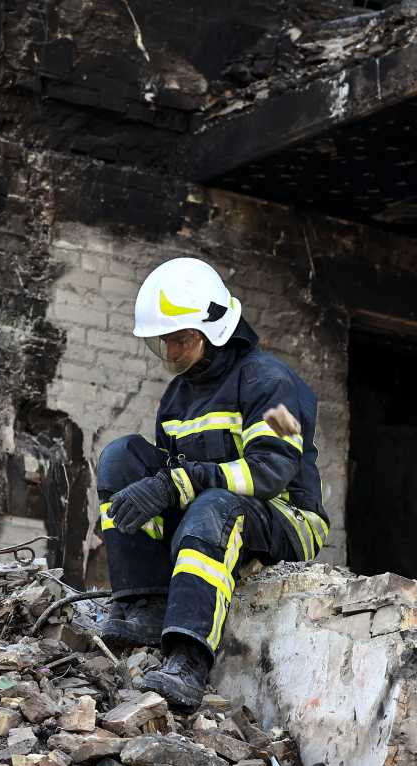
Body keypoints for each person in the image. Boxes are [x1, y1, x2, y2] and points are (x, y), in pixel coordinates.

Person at [93, 257, 330, 712]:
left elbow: (271, 470)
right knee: (122, 457)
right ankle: (144, 606)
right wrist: (162, 484)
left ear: (215, 330)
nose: (172, 352)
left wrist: (179, 484)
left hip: (288, 517)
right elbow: (169, 473)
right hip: (213, 508)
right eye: (166, 340)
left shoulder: (271, 384)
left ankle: (188, 660)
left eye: (181, 340)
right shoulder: (177, 397)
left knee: (215, 507)